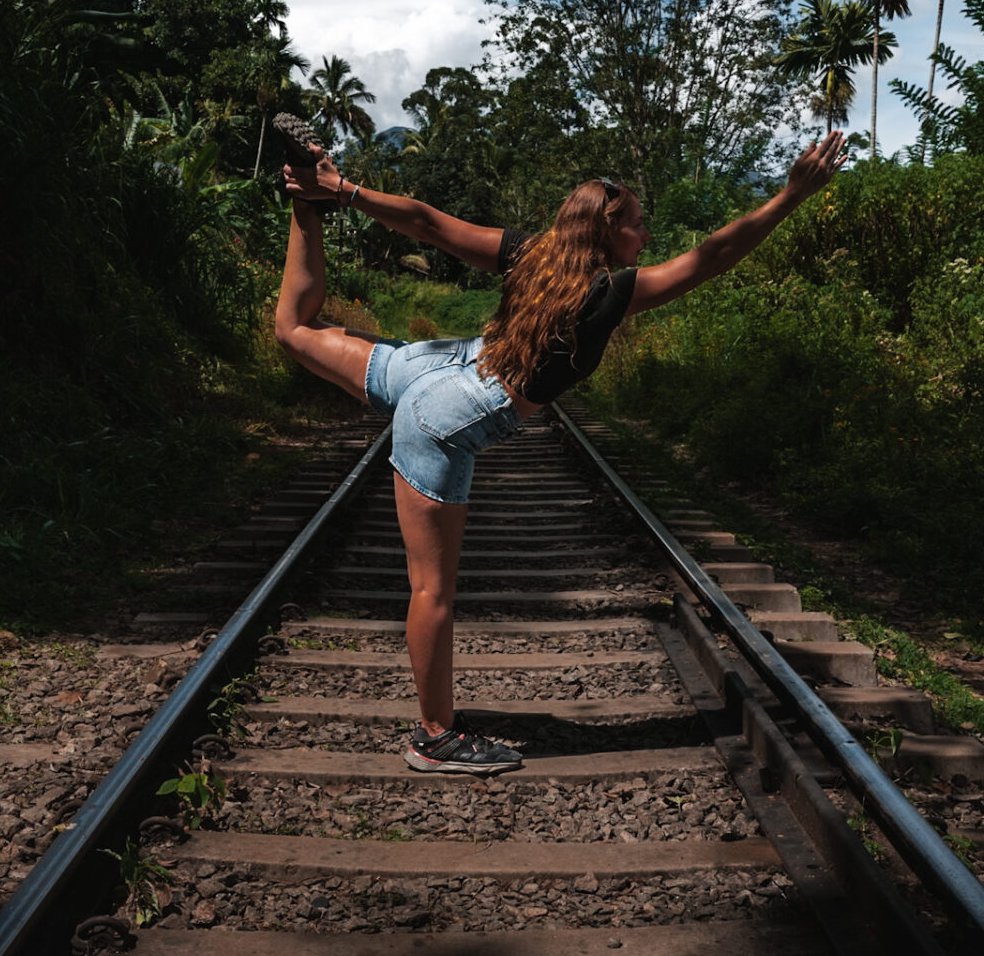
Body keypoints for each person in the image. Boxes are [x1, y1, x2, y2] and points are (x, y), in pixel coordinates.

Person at [273, 123, 847, 776]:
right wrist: (789, 197)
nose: (645, 239)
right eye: (636, 227)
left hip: (432, 366)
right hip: (439, 418)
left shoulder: (530, 255)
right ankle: (434, 737)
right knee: (431, 589)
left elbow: (431, 225)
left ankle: (303, 201)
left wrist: (342, 192)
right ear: (608, 233)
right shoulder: (609, 295)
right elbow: (713, 257)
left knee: (294, 329)